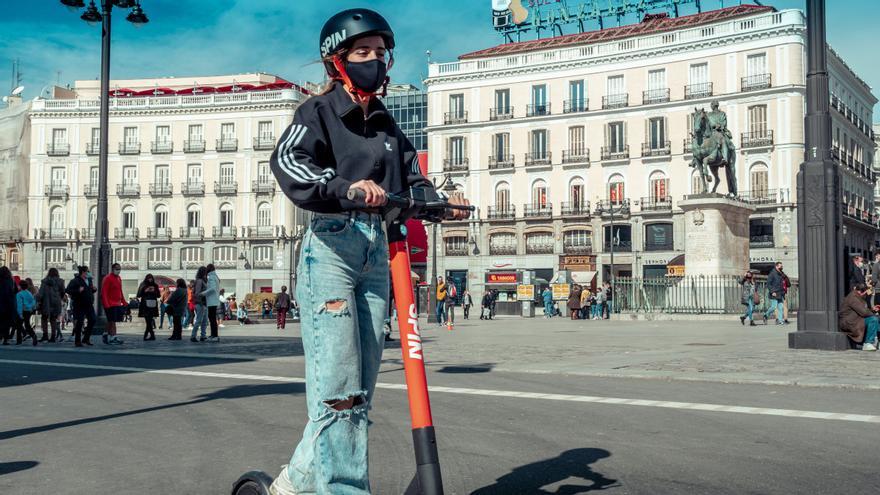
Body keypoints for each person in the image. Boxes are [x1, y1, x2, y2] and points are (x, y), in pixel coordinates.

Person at [266, 8, 470, 493]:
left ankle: (291, 485)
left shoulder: (385, 122)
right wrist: (343, 186)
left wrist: (442, 203)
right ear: (338, 61)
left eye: (380, 53)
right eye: (363, 53)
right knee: (338, 395)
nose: (375, 61)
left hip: (380, 254)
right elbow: (287, 160)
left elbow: (413, 181)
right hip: (333, 247)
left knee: (356, 396)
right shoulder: (315, 113)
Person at [839, 283, 879, 351]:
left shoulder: (856, 296)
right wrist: (872, 313)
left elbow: (861, 310)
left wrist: (872, 309)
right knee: (873, 319)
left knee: (876, 320)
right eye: (865, 292)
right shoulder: (853, 297)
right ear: (861, 292)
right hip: (850, 322)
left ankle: (876, 340)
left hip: (855, 319)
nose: (866, 294)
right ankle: (868, 343)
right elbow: (863, 312)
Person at [65, 266, 96, 347]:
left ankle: (86, 338)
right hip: (79, 304)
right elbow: (67, 290)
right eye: (87, 271)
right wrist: (78, 290)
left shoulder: (89, 280)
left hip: (89, 304)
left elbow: (89, 290)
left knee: (93, 319)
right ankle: (77, 341)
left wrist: (93, 289)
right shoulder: (75, 281)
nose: (89, 273)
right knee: (80, 322)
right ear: (83, 272)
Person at [100, 263, 126, 345]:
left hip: (117, 303)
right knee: (112, 321)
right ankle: (113, 337)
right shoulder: (107, 278)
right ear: (112, 269)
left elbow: (120, 291)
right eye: (117, 269)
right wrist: (106, 304)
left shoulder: (119, 278)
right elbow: (104, 292)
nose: (118, 270)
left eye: (119, 269)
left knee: (111, 321)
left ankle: (106, 334)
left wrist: (124, 301)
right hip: (110, 303)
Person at [37, 268, 64, 342]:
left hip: (46, 302)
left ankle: (45, 335)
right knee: (53, 319)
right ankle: (53, 336)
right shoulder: (60, 281)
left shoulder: (44, 281)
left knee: (44, 318)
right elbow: (63, 292)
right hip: (56, 302)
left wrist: (38, 301)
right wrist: (58, 298)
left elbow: (41, 293)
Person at [13, 279, 38, 346]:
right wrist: (30, 307)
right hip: (28, 311)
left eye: (18, 286)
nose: (18, 287)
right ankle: (33, 335)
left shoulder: (19, 294)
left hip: (22, 311)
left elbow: (19, 305)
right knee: (27, 325)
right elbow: (33, 302)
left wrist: (20, 314)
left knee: (19, 326)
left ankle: (19, 340)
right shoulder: (29, 293)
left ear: (20, 286)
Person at [137, 274, 160, 341]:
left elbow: (158, 295)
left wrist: (154, 291)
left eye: (151, 278)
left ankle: (149, 335)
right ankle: (151, 335)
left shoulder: (155, 285)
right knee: (148, 320)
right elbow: (138, 294)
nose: (150, 280)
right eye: (149, 278)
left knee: (149, 320)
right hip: (145, 305)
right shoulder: (143, 285)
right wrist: (145, 290)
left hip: (152, 305)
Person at [191, 267, 208, 342]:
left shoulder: (204, 281)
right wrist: (201, 303)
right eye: (206, 272)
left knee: (204, 321)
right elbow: (197, 293)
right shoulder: (199, 281)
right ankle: (193, 336)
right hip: (200, 303)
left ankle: (203, 336)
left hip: (205, 304)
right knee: (199, 320)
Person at [0, 266, 16, 345]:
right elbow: (13, 292)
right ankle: (5, 339)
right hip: (8, 304)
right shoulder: (10, 281)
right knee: (7, 323)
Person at [205, 264, 221, 342]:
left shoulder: (211, 277)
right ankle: (213, 335)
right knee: (212, 319)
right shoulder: (215, 277)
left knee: (212, 319)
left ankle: (214, 335)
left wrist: (204, 293)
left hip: (211, 300)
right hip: (214, 300)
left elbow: (212, 288)